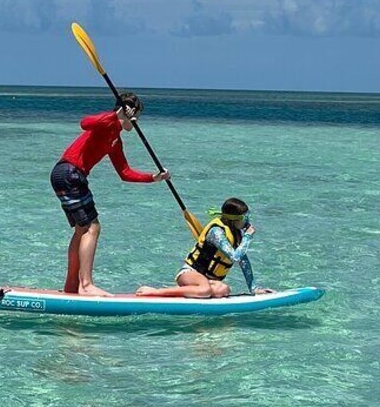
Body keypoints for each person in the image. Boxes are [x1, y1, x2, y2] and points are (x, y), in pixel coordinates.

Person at [50, 93, 170, 296]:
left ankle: (71, 286)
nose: (136, 122)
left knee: (82, 230)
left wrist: (154, 177)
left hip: (66, 175)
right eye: (136, 116)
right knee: (92, 228)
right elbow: (85, 123)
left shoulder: (115, 140)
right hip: (70, 172)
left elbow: (125, 173)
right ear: (127, 112)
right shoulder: (107, 122)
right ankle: (86, 285)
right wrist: (116, 115)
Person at [136, 198, 272, 298]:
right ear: (233, 219)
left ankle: (193, 292)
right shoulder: (216, 232)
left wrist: (254, 288)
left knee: (224, 290)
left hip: (208, 280)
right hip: (190, 273)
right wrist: (248, 237)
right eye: (245, 218)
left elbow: (243, 261)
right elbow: (234, 257)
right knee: (205, 290)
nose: (248, 222)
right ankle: (155, 292)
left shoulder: (236, 235)